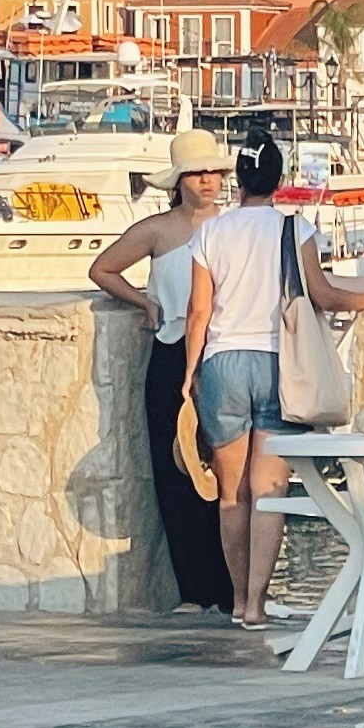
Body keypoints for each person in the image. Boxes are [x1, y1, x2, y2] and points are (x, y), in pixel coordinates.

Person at [181, 135, 364, 633]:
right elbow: (326, 295)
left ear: (238, 181)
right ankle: (255, 606)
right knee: (268, 493)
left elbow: (199, 310)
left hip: (223, 362)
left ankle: (235, 597)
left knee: (231, 494)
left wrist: (190, 373)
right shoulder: (296, 229)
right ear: (279, 180)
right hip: (277, 365)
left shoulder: (212, 233)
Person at [88, 129, 236, 614]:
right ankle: (194, 591)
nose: (207, 181)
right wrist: (143, 303)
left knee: (227, 478)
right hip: (172, 352)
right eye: (197, 173)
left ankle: (233, 590)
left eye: (213, 171)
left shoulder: (232, 228)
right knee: (175, 476)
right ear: (179, 181)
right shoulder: (159, 230)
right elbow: (103, 268)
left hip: (221, 355)